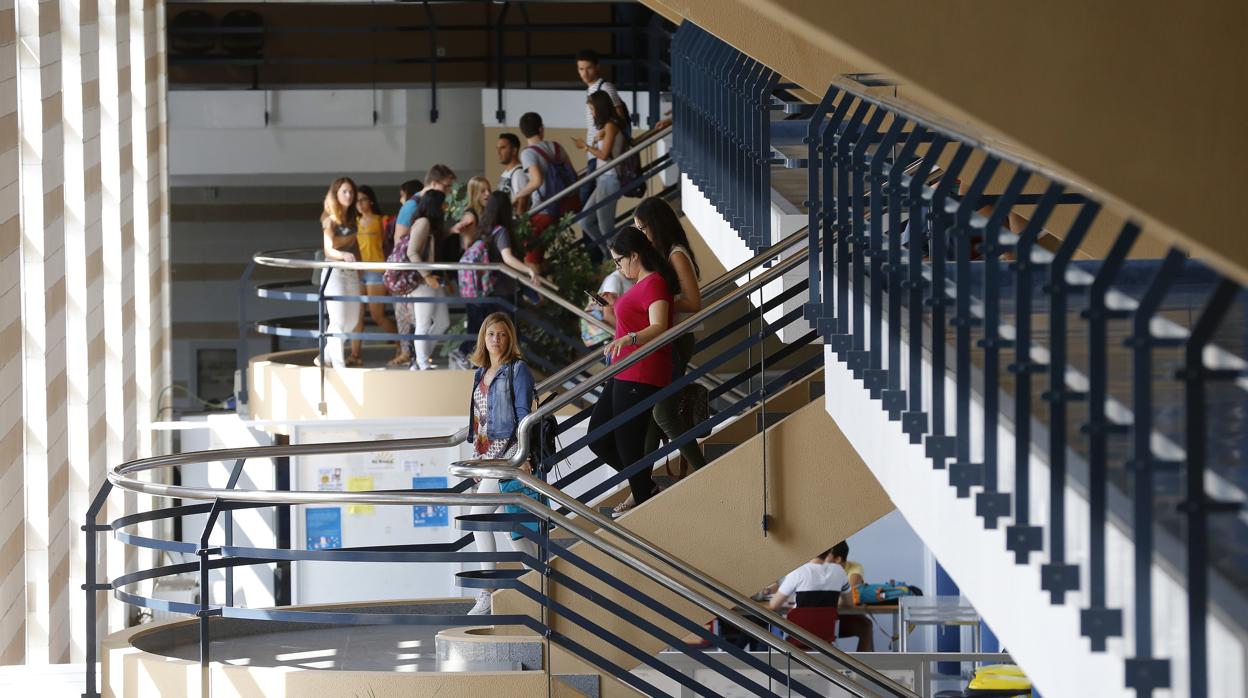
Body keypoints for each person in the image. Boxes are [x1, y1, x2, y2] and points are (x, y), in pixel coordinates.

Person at [587, 226, 676, 512]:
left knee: (627, 443)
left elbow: (659, 326)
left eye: (619, 260)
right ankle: (643, 487)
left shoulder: (655, 283)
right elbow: (630, 324)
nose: (618, 267)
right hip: (624, 369)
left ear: (634, 255)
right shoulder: (640, 284)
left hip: (641, 371)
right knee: (598, 437)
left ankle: (644, 496)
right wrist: (614, 309)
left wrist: (631, 338)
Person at [462, 312, 538, 615]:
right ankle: (541, 578)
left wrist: (523, 455)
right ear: (483, 337)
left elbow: (523, 414)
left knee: (478, 518)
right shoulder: (480, 374)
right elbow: (480, 420)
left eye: (503, 335)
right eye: (491, 334)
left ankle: (488, 590)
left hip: (507, 456)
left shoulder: (517, 370)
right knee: (513, 527)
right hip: (485, 457)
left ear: (510, 339)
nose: (496, 340)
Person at [635, 196, 707, 472]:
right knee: (653, 415)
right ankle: (641, 484)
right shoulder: (661, 255)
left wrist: (659, 304)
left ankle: (701, 468)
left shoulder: (677, 253)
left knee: (662, 412)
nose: (641, 235)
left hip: (677, 340)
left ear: (656, 224)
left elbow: (694, 301)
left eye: (643, 228)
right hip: (665, 339)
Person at [574, 91, 628, 255]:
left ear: (600, 108)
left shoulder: (611, 126)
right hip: (603, 179)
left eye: (592, 109)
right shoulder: (607, 126)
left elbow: (604, 155)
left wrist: (586, 147)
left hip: (610, 179)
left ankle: (616, 258)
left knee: (606, 227)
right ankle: (608, 253)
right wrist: (598, 140)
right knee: (585, 221)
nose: (592, 113)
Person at [354, 185, 402, 365]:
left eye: (363, 200)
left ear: (371, 201)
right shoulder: (354, 222)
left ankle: (402, 346)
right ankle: (355, 355)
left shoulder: (383, 220)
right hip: (359, 273)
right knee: (356, 318)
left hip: (377, 272)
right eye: (356, 201)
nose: (359, 204)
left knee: (377, 316)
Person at [405, 188, 451, 370]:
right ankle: (421, 362)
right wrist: (427, 275)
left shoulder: (429, 224)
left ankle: (419, 358)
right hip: (423, 281)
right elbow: (411, 252)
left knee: (443, 322)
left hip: (432, 280)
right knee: (423, 323)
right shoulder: (423, 222)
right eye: (443, 203)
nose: (446, 207)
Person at [574, 48, 627, 204]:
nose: (585, 73)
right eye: (581, 69)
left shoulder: (604, 88)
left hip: (601, 153)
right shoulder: (591, 89)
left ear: (597, 67)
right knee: (588, 202)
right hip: (595, 153)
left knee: (586, 201)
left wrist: (604, 132)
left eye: (588, 68)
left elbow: (619, 117)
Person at [319, 176, 362, 368]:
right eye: (344, 191)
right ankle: (338, 364)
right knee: (338, 320)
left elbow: (356, 245)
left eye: (351, 192)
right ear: (336, 194)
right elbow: (328, 249)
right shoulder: (330, 219)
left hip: (351, 272)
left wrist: (360, 266)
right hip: (333, 272)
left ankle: (325, 355)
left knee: (352, 321)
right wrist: (343, 255)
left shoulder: (353, 218)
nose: (348, 195)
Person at [513, 112, 576, 236]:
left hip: (544, 208)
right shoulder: (557, 147)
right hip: (565, 205)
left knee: (529, 248)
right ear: (541, 128)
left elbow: (536, 181)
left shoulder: (528, 153)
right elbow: (572, 173)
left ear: (523, 131)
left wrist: (516, 196)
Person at [827, 541, 874, 651]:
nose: (823, 557)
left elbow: (851, 593)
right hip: (827, 618)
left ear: (838, 559)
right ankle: (863, 666)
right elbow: (846, 597)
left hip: (841, 616)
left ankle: (863, 665)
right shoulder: (822, 568)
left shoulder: (854, 567)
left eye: (827, 554)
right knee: (866, 625)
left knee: (866, 625)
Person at [496, 133, 529, 213]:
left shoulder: (518, 174)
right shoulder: (505, 173)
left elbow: (522, 204)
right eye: (497, 148)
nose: (498, 152)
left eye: (503, 148)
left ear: (514, 150)